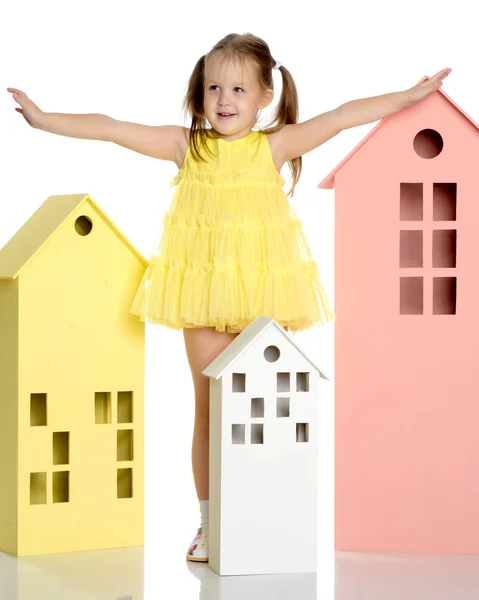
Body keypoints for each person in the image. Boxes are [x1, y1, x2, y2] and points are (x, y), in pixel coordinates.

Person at [7, 31, 451, 563]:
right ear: (199, 94)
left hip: (265, 296)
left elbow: (340, 115)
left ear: (266, 96)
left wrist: (406, 98)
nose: (224, 100)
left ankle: (263, 512)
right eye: (214, 87)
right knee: (209, 411)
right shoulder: (186, 146)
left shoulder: (275, 146)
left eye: (239, 90)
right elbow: (112, 128)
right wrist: (45, 118)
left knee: (262, 410)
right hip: (201, 299)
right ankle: (208, 521)